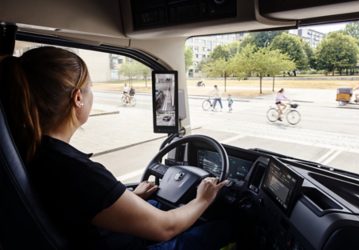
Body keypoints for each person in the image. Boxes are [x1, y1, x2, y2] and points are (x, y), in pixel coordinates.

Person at [0, 47, 231, 250]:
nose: (92, 93)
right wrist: (203, 199)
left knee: (154, 204)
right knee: (226, 227)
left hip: (93, 238)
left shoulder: (33, 151)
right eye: (89, 87)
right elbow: (166, 228)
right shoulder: (74, 169)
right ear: (78, 98)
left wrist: (130, 196)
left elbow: (80, 204)